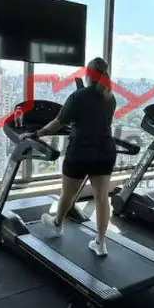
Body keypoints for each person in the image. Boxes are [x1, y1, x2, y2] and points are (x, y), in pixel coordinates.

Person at [25, 57, 118, 256]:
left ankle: (57, 223)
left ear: (88, 74)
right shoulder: (110, 97)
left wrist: (37, 133)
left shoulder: (78, 96)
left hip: (80, 152)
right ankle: (101, 243)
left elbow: (58, 123)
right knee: (102, 197)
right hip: (104, 151)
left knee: (67, 193)